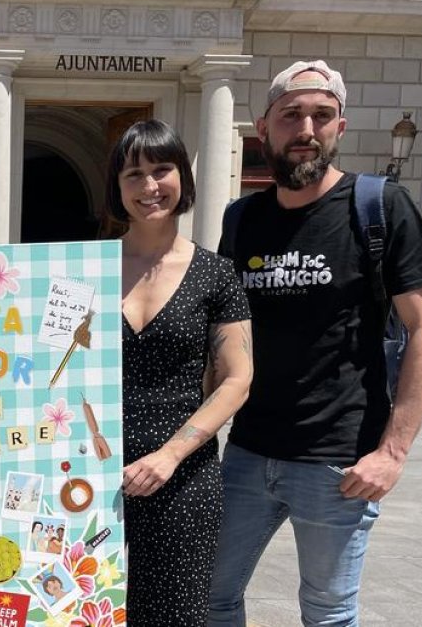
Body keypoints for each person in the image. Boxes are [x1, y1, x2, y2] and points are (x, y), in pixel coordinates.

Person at [209, 60, 422, 627]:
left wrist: (391, 454)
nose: (306, 129)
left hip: (339, 461)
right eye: (291, 115)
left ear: (340, 127)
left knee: (327, 612)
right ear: (263, 127)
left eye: (322, 115)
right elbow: (221, 332)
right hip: (246, 452)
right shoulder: (242, 219)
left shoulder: (379, 207)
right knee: (212, 597)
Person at [106, 120, 254, 626]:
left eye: (161, 169)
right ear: (117, 187)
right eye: (133, 174)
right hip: (89, 477)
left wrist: (168, 456)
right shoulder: (85, 268)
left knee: (175, 617)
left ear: (183, 178)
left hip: (182, 481)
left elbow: (237, 378)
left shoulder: (217, 274)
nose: (149, 186)